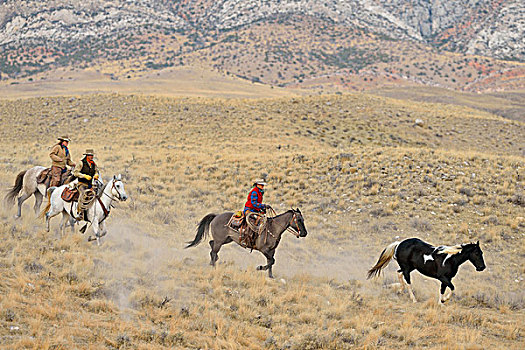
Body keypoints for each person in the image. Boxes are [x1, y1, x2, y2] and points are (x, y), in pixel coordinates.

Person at [73, 149, 99, 219]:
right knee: (82, 194)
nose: (91, 157)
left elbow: (96, 171)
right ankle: (79, 212)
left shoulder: (93, 164)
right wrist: (84, 176)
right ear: (87, 156)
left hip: (90, 184)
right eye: (90, 155)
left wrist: (96, 174)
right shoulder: (81, 163)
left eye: (92, 155)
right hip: (82, 184)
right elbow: (75, 173)